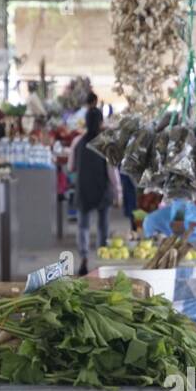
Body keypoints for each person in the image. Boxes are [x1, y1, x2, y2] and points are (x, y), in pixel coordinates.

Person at [73, 106, 120, 274]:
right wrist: (118, 192)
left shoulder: (78, 142)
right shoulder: (105, 144)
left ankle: (84, 258)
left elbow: (71, 166)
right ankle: (102, 259)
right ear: (101, 123)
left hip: (83, 189)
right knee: (103, 226)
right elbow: (112, 171)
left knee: (83, 226)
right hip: (102, 190)